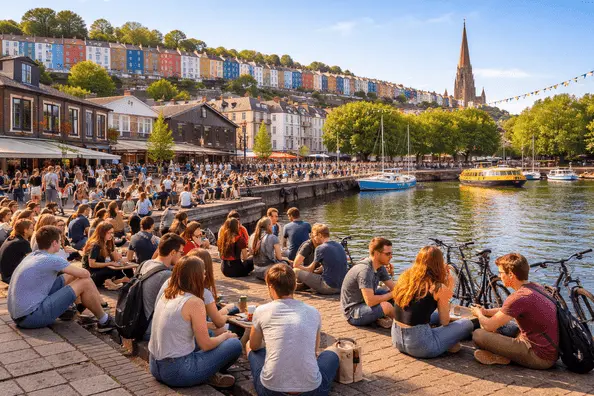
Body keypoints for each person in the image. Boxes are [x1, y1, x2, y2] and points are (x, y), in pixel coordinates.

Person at [148, 256, 242, 388]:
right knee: (234, 344)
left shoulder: (168, 293)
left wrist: (209, 328)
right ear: (195, 276)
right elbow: (206, 345)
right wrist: (225, 336)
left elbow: (180, 326)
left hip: (155, 365)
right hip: (178, 371)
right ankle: (208, 373)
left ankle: (206, 373)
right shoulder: (194, 302)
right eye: (203, 272)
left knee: (208, 332)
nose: (205, 274)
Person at [248, 263, 339, 395]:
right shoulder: (313, 312)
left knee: (249, 347)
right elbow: (314, 351)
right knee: (332, 353)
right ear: (295, 285)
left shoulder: (261, 311)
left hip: (271, 391)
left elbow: (254, 346)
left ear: (270, 287)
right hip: (311, 391)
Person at [7, 225, 115, 331]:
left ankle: (80, 310)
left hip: (19, 315)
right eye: (60, 240)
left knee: (72, 275)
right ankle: (104, 321)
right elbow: (86, 274)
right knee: (85, 282)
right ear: (54, 243)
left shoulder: (34, 255)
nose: (62, 243)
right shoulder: (52, 259)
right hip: (31, 317)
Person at [470, 253, 558, 369]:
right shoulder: (536, 287)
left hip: (539, 357)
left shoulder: (518, 297)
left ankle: (501, 356)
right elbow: (507, 310)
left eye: (501, 273)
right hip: (550, 350)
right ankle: (501, 354)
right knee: (501, 327)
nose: (499, 276)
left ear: (511, 274)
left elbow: (489, 326)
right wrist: (486, 311)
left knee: (478, 334)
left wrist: (479, 314)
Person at [392, 246, 472, 358]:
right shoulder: (438, 287)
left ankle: (446, 342)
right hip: (421, 346)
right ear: (439, 264)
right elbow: (445, 321)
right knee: (466, 324)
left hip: (397, 340)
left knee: (434, 315)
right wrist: (449, 285)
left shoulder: (405, 278)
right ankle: (446, 342)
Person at [137, 233, 186, 340]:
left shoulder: (146, 264)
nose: (181, 256)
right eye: (181, 253)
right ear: (173, 252)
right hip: (151, 330)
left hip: (139, 322)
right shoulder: (166, 275)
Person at [340, 237, 396, 328]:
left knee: (392, 295)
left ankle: (403, 317)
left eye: (391, 253)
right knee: (387, 306)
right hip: (353, 311)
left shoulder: (380, 266)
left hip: (364, 301)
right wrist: (392, 294)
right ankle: (405, 326)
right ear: (377, 254)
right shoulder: (365, 271)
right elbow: (370, 301)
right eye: (388, 254)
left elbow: (394, 288)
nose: (391, 256)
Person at [293, 223, 348, 294]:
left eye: (314, 236)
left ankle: (294, 287)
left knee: (295, 270)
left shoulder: (320, 248)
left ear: (319, 235)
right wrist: (322, 268)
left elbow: (310, 269)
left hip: (328, 287)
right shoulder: (338, 245)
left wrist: (303, 270)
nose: (313, 238)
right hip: (341, 287)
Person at [82, 222, 135, 289]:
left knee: (122, 268)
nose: (111, 235)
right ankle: (114, 281)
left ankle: (120, 280)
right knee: (109, 269)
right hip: (92, 273)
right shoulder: (95, 245)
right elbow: (92, 264)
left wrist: (124, 262)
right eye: (108, 233)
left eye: (112, 233)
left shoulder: (109, 242)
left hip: (103, 269)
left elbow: (116, 258)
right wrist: (110, 263)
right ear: (102, 233)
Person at [0, 219, 34, 283]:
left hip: (4, 275)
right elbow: (32, 262)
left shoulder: (10, 238)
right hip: (11, 278)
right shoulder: (22, 243)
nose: (33, 230)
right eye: (31, 228)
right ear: (25, 230)